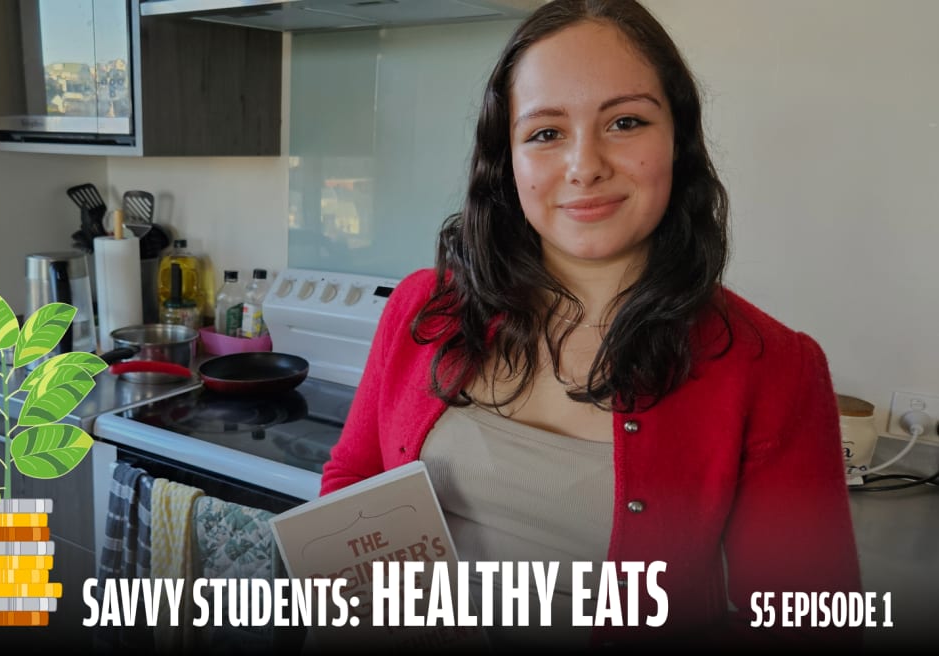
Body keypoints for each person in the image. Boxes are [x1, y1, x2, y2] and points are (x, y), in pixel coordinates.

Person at [321, 0, 862, 650]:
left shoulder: (774, 368)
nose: (584, 165)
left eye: (625, 122)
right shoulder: (422, 307)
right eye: (546, 133)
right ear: (508, 160)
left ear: (678, 141)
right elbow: (355, 480)